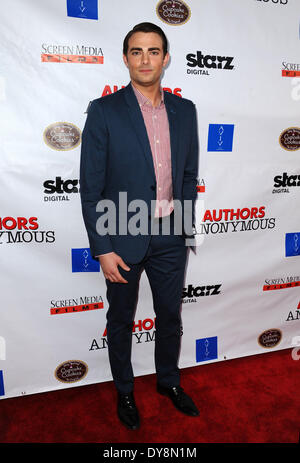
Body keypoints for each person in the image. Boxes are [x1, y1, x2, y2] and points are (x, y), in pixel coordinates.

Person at [80, 22, 199, 430]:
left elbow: (187, 177)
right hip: (121, 235)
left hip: (170, 236)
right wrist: (103, 247)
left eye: (153, 51)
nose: (145, 59)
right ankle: (125, 390)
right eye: (136, 51)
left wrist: (184, 227)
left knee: (170, 315)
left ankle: (168, 382)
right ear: (126, 58)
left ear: (166, 59)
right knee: (121, 319)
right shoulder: (105, 110)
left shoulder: (186, 111)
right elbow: (90, 187)